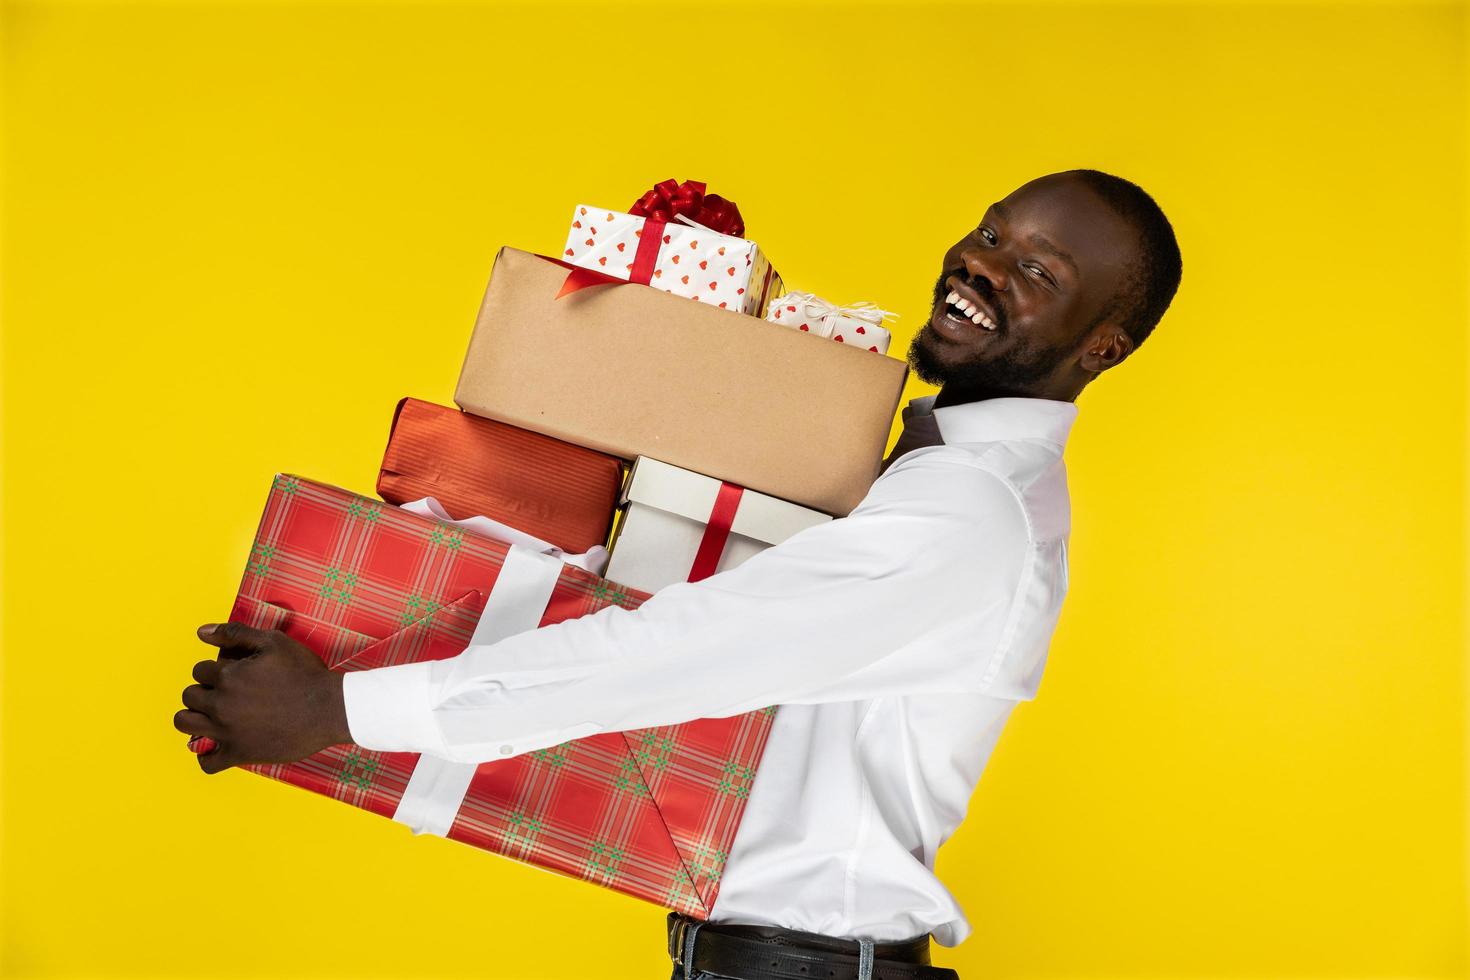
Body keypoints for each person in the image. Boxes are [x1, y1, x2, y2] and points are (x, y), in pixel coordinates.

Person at [174, 168, 1183, 980]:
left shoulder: (971, 510)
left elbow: (679, 653)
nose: (980, 262)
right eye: (993, 231)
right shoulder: (911, 462)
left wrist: (341, 710)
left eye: (1038, 271)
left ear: (1104, 344)